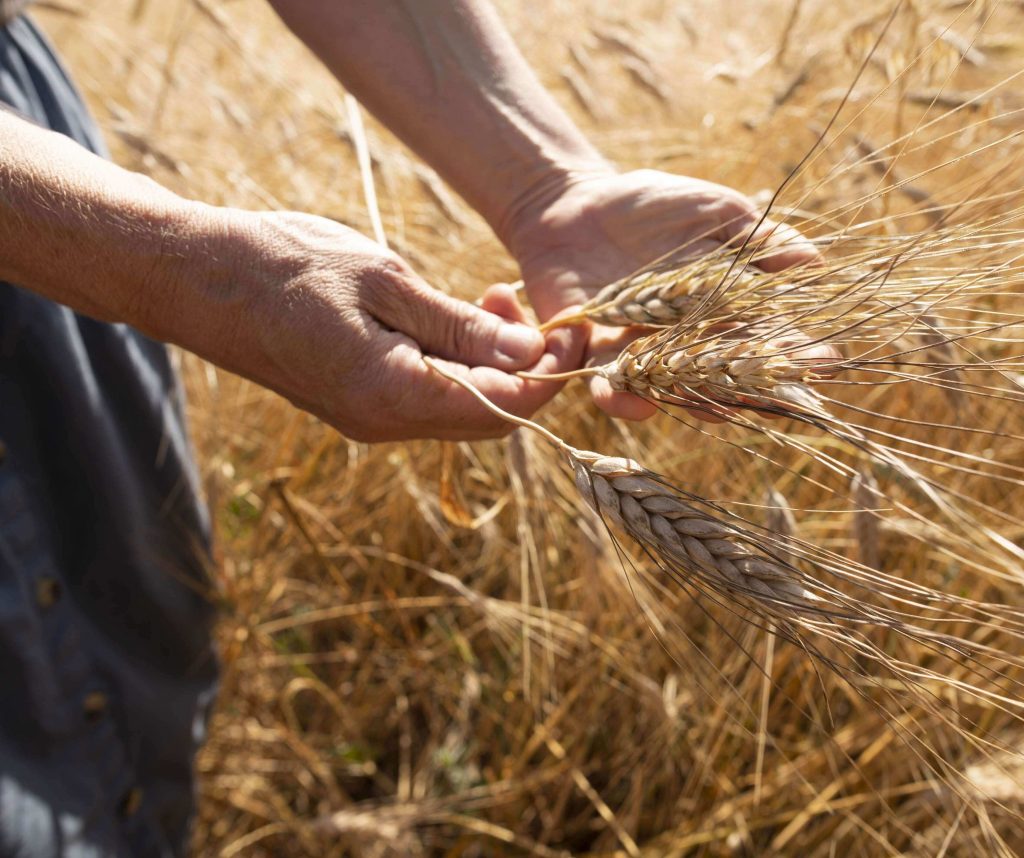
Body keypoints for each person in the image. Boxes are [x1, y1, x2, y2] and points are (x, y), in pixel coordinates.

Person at [0, 1, 816, 854]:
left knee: (139, 672)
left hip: (37, 166)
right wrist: (188, 270)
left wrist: (549, 183)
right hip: (58, 207)